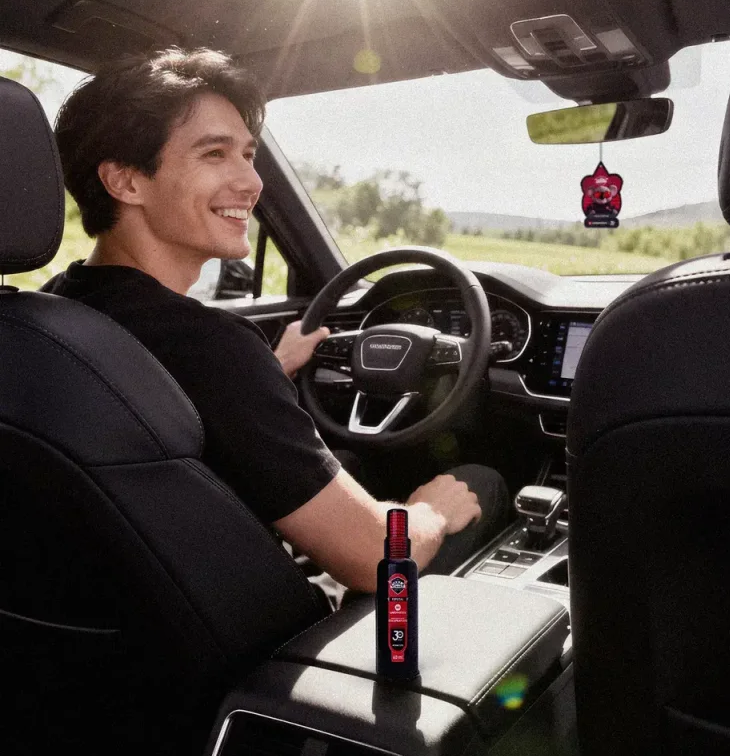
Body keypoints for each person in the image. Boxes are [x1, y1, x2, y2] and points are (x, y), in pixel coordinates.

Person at [41, 47, 509, 607]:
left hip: (134, 615)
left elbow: (164, 395)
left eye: (247, 154)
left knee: (353, 465)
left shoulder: (50, 312)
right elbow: (373, 558)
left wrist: (272, 365)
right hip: (269, 638)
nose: (251, 182)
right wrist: (429, 510)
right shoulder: (212, 348)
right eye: (214, 154)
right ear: (125, 181)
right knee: (478, 483)